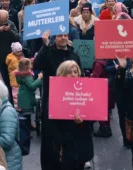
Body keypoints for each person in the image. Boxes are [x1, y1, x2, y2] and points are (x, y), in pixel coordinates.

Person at [34, 31, 82, 170]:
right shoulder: (48, 52)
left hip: (72, 101)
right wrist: (44, 45)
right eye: (60, 36)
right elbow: (37, 65)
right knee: (51, 141)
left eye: (66, 35)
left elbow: (81, 76)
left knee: (70, 139)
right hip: (52, 102)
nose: (63, 38)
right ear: (55, 38)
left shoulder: (74, 54)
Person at [47, 60, 94, 170]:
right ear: (62, 74)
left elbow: (94, 115)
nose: (73, 75)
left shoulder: (86, 90)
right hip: (65, 143)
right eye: (69, 72)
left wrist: (83, 121)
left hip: (82, 140)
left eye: (75, 72)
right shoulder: (55, 92)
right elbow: (52, 120)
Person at [15, 58, 42, 130]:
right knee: (27, 116)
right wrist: (39, 79)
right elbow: (32, 86)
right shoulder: (27, 76)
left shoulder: (20, 75)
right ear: (27, 66)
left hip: (23, 97)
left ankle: (28, 127)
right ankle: (26, 131)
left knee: (24, 115)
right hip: (27, 99)